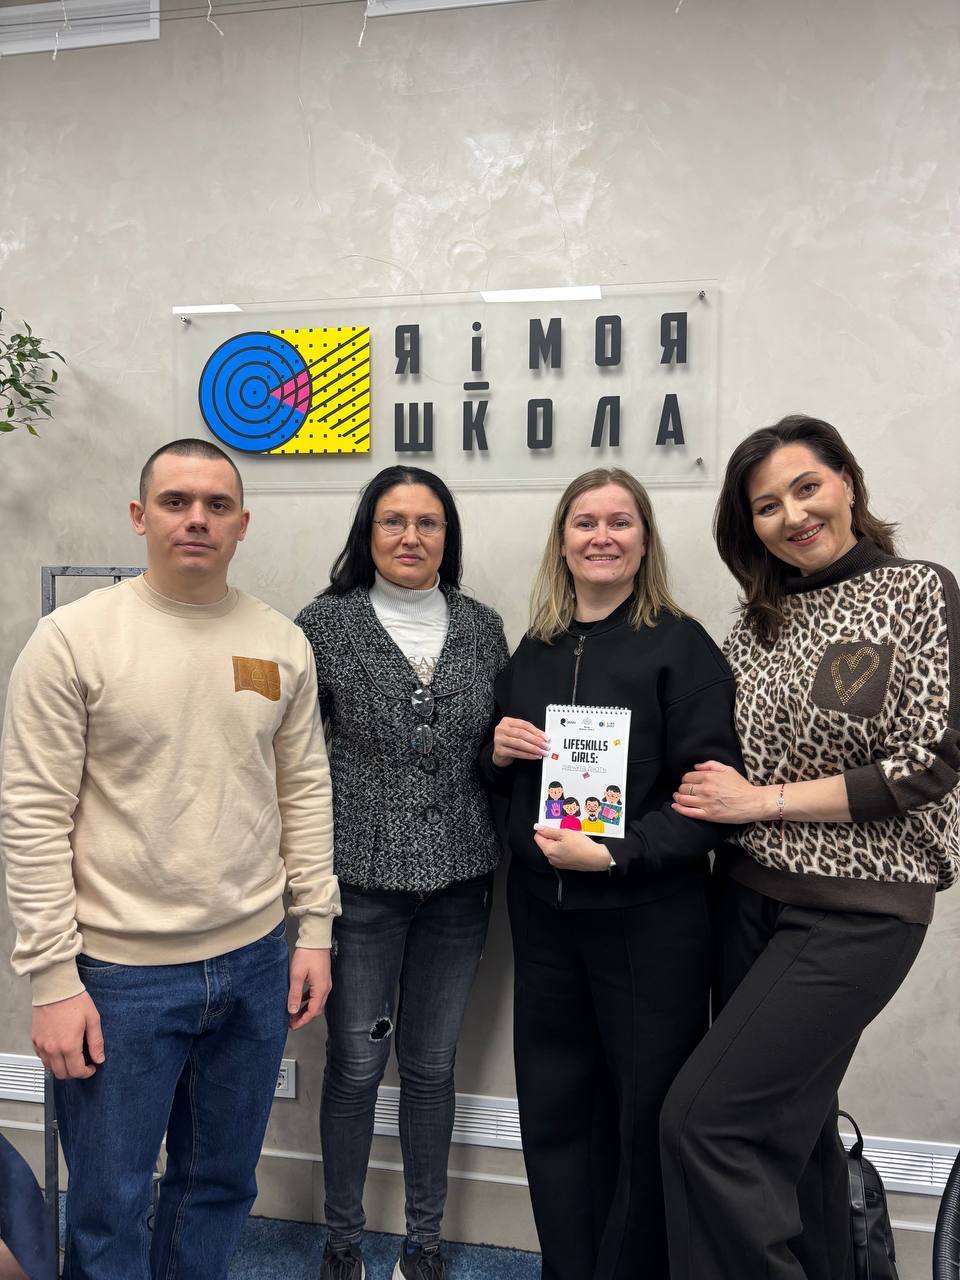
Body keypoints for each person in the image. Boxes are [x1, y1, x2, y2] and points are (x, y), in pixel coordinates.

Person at [0, 439, 340, 1280]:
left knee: (219, 1186)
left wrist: (315, 929)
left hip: (255, 961)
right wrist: (52, 978)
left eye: (217, 505)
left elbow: (304, 790)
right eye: (176, 501)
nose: (197, 519)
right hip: (119, 976)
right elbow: (33, 814)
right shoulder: (72, 640)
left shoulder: (280, 642)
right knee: (108, 1204)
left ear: (242, 524)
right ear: (139, 515)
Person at [660, 414, 960, 1280]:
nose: (792, 515)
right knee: (792, 1138)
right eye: (766, 506)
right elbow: (711, 749)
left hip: (858, 912)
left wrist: (763, 801)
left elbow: (930, 761)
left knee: (705, 1125)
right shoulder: (758, 620)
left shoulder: (918, 591)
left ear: (846, 483)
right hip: (746, 897)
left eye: (806, 487)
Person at [480, 467, 742, 1280]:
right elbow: (500, 782)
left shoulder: (683, 648)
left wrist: (615, 852)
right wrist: (496, 754)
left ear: (644, 540)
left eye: (619, 522)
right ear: (562, 541)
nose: (601, 536)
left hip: (648, 922)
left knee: (642, 1116)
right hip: (544, 920)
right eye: (584, 522)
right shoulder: (536, 647)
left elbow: (712, 802)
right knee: (554, 1110)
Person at [295, 465, 508, 1280]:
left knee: (430, 1067)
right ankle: (343, 1243)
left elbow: (493, 752)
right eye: (393, 521)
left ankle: (424, 1243)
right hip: (359, 886)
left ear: (448, 537)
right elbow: (293, 762)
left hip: (460, 883)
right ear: (368, 533)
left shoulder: (483, 628)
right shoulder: (323, 625)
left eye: (429, 522)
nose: (411, 537)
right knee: (354, 1068)